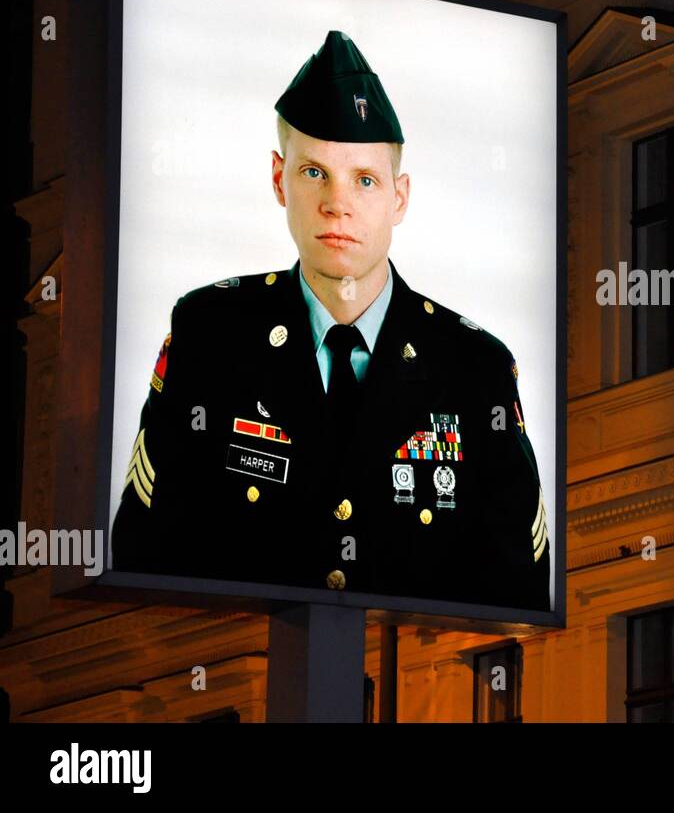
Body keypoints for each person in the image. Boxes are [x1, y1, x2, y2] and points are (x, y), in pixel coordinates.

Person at [111, 30, 551, 611]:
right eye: (314, 172)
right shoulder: (211, 337)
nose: (336, 203)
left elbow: (515, 592)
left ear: (399, 197)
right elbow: (147, 557)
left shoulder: (474, 370)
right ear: (278, 180)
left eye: (364, 180)